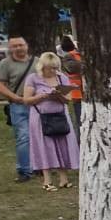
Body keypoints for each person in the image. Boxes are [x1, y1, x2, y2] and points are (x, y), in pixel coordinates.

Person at [21, 51, 78, 190]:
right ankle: (47, 181)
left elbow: (68, 99)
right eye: (51, 68)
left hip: (60, 116)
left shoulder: (61, 77)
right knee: (44, 147)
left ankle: (64, 179)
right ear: (43, 67)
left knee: (62, 145)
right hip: (41, 118)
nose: (54, 70)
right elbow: (26, 100)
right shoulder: (33, 78)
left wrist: (59, 95)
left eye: (55, 67)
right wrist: (43, 96)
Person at [0, 35, 35, 182]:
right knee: (23, 137)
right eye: (14, 46)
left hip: (37, 105)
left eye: (20, 45)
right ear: (10, 48)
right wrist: (14, 97)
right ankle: (24, 170)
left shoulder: (36, 62)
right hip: (18, 105)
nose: (18, 48)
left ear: (26, 45)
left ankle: (41, 166)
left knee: (40, 137)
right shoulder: (5, 63)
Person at [58, 36, 83, 131]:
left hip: (77, 93)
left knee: (79, 120)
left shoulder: (68, 57)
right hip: (79, 92)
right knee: (80, 120)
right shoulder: (77, 55)